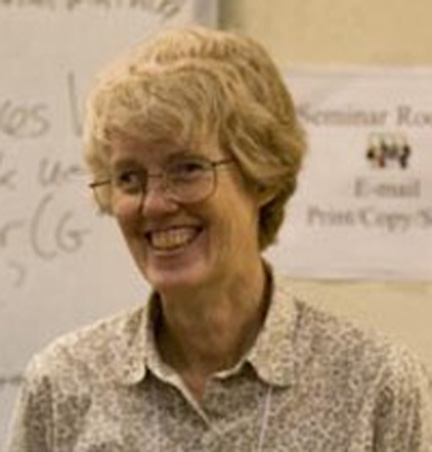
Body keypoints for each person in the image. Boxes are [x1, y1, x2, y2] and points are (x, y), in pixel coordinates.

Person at [5, 26, 432, 452]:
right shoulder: (64, 387)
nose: (154, 204)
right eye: (129, 178)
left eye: (187, 169)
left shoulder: (376, 389)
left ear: (261, 176)